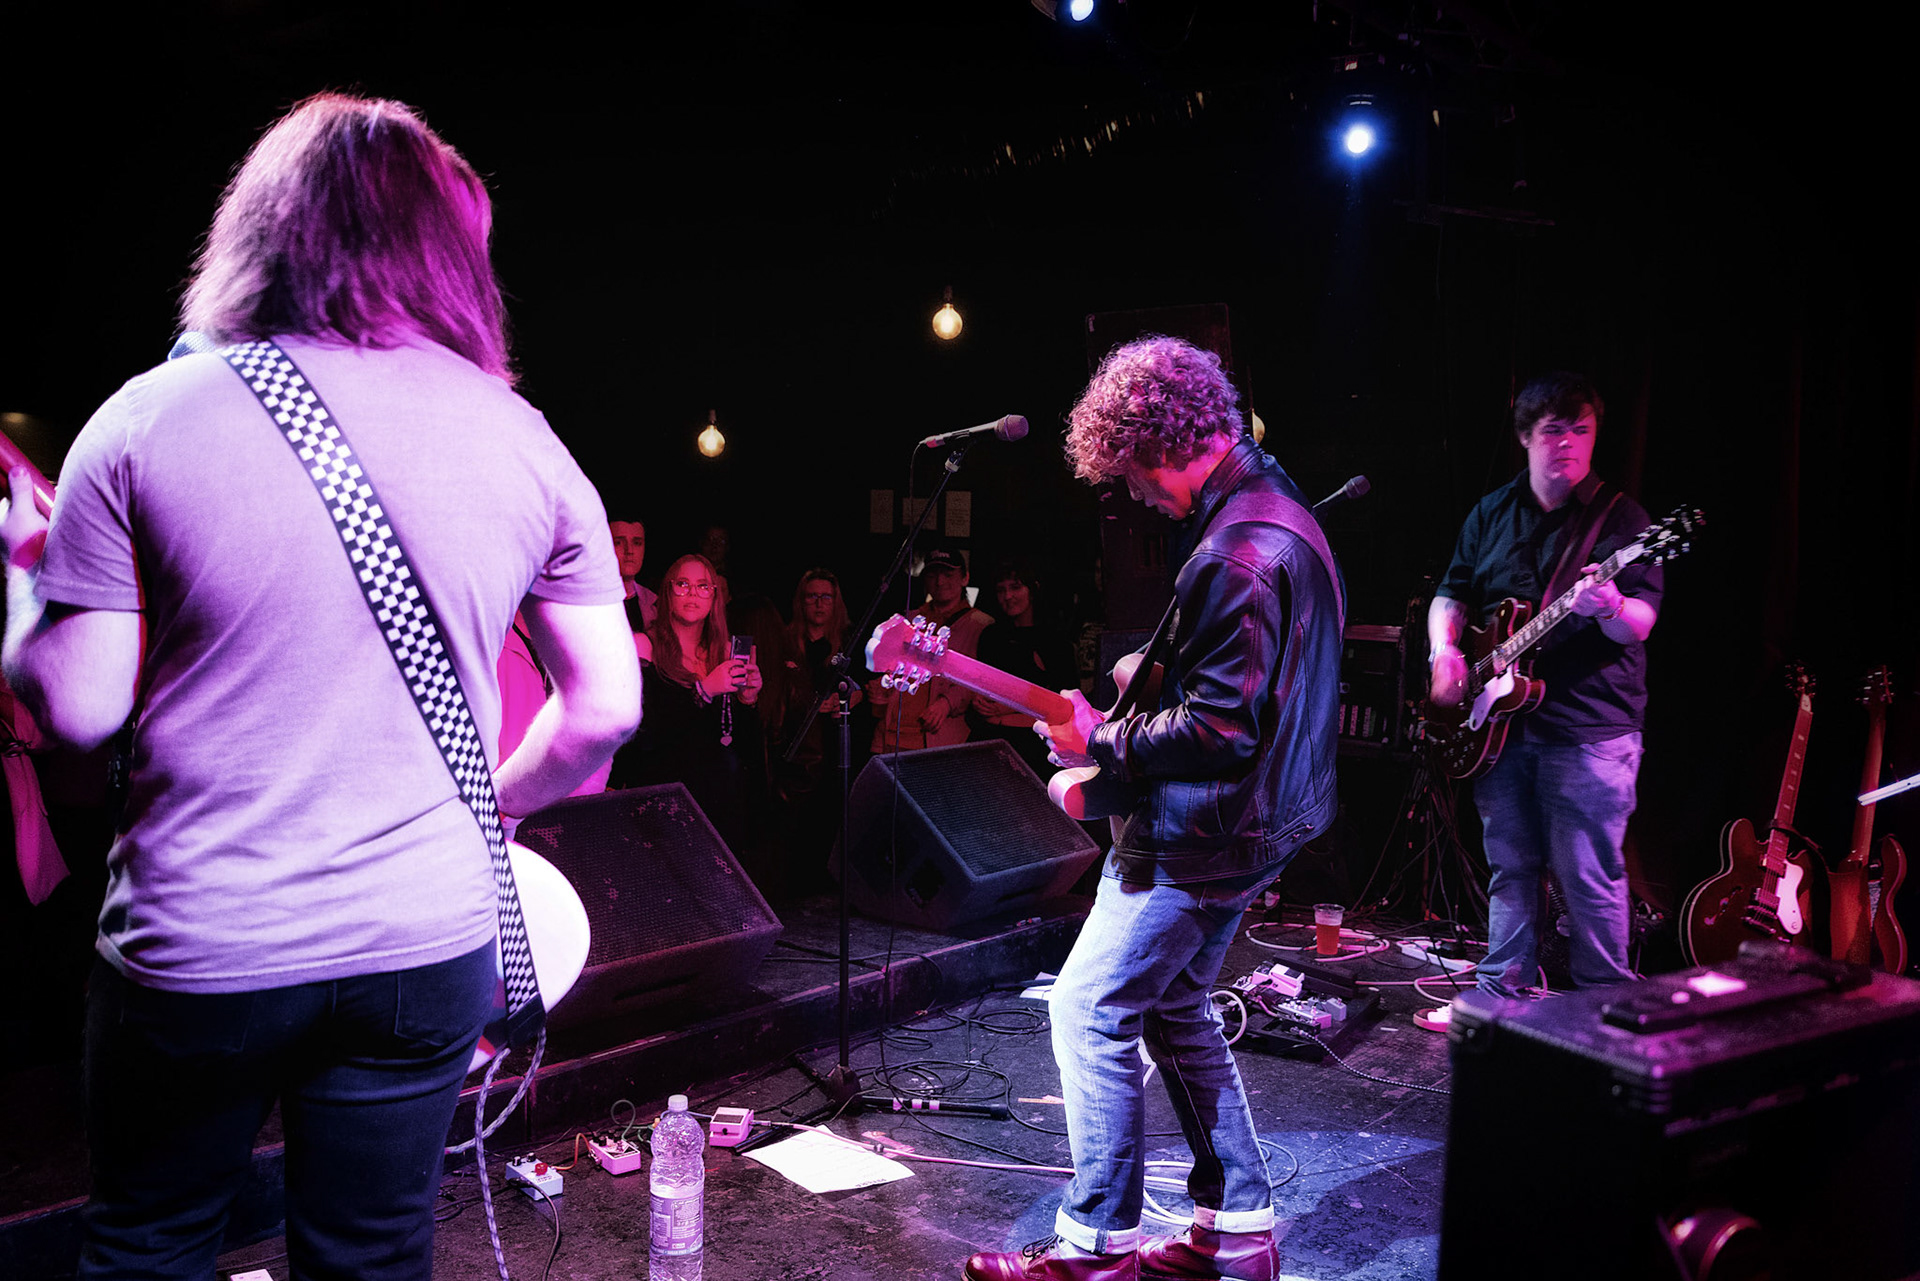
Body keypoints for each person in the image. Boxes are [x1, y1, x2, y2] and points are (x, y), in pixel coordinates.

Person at [0, 93, 640, 1281]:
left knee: (151, 1244)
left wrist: (22, 580)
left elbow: (75, 710)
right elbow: (605, 708)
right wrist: (490, 803)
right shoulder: (523, 436)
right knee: (373, 1253)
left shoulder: (146, 417)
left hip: (206, 943)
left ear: (259, 227)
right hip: (422, 941)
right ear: (449, 247)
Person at [963, 336, 1341, 1281]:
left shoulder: (1235, 551)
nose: (1134, 494)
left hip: (1207, 833)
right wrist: (1143, 688)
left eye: (1131, 474)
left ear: (1162, 442)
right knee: (1175, 1006)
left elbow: (1222, 728)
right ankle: (1238, 1227)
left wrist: (1108, 740)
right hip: (1265, 821)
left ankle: (1097, 1246)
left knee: (1088, 1009)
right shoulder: (1277, 499)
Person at [1428, 371, 1661, 1001]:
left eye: (1581, 430)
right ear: (1526, 437)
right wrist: (1444, 651)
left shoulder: (1625, 520)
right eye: (1554, 430)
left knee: (1589, 878)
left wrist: (1610, 606)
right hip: (1503, 729)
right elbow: (1452, 592)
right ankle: (1499, 1000)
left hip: (1590, 730)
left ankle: (1603, 1010)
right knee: (1510, 868)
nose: (1568, 443)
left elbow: (1640, 623)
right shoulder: (1491, 512)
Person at [616, 553, 765, 858]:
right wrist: (704, 691)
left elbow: (743, 747)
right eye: (683, 584)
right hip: (663, 806)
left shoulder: (726, 653)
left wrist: (748, 700)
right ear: (668, 592)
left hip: (720, 808)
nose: (692, 594)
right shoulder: (643, 646)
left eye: (703, 586)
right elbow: (641, 738)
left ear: (714, 597)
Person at [866, 540, 992, 754]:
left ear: (965, 578)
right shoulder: (909, 619)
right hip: (892, 733)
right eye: (933, 575)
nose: (940, 581)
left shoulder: (981, 625)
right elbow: (893, 668)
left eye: (948, 574)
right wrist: (880, 686)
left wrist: (947, 703)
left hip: (939, 737)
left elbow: (983, 679)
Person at [973, 557, 1081, 779]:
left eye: (1015, 587)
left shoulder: (1054, 641)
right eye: (1001, 590)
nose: (1008, 596)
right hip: (993, 743)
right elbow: (981, 682)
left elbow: (1065, 702)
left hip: (1037, 746)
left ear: (1033, 590)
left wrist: (1009, 706)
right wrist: (978, 701)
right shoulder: (991, 636)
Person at [610, 517, 657, 632]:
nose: (629, 550)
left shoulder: (655, 604)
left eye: (637, 543)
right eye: (618, 543)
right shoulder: (585, 601)